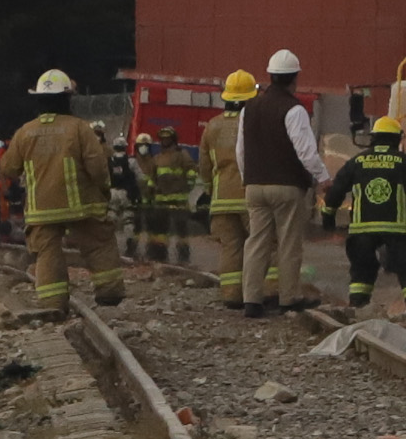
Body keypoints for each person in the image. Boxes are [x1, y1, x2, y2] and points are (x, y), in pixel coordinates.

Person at [0, 71, 124, 319]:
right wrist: (104, 191)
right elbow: (97, 166)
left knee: (47, 252)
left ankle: (53, 302)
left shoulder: (25, 132)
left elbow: (9, 168)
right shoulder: (79, 129)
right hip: (81, 205)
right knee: (99, 242)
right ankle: (109, 290)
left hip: (42, 209)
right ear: (67, 99)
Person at [235, 50, 328, 319]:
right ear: (294, 78)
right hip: (287, 186)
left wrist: (247, 177)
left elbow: (240, 150)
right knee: (288, 243)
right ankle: (289, 298)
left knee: (256, 242)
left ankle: (251, 301)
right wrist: (323, 177)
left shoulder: (248, 108)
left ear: (271, 76)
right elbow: (306, 152)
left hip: (254, 186)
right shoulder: (294, 109)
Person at [324, 115, 406, 317]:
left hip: (362, 230)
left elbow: (336, 190)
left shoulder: (356, 162)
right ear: (396, 139)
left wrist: (328, 216)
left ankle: (357, 307)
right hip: (399, 230)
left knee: (362, 270)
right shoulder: (405, 163)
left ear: (374, 138)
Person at [202, 73, 255, 308]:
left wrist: (210, 189)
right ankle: (266, 291)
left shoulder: (212, 126)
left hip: (221, 199)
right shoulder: (254, 123)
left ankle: (232, 295)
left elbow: (204, 167)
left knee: (231, 247)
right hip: (250, 197)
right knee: (262, 244)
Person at [134, 126, 195, 265]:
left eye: (168, 138)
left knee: (181, 233)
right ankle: (159, 256)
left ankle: (183, 258)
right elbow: (151, 177)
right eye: (163, 139)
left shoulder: (182, 155)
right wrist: (149, 192)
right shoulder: (157, 158)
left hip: (179, 199)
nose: (165, 141)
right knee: (160, 231)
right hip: (160, 200)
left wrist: (187, 186)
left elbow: (192, 171)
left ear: (173, 140)